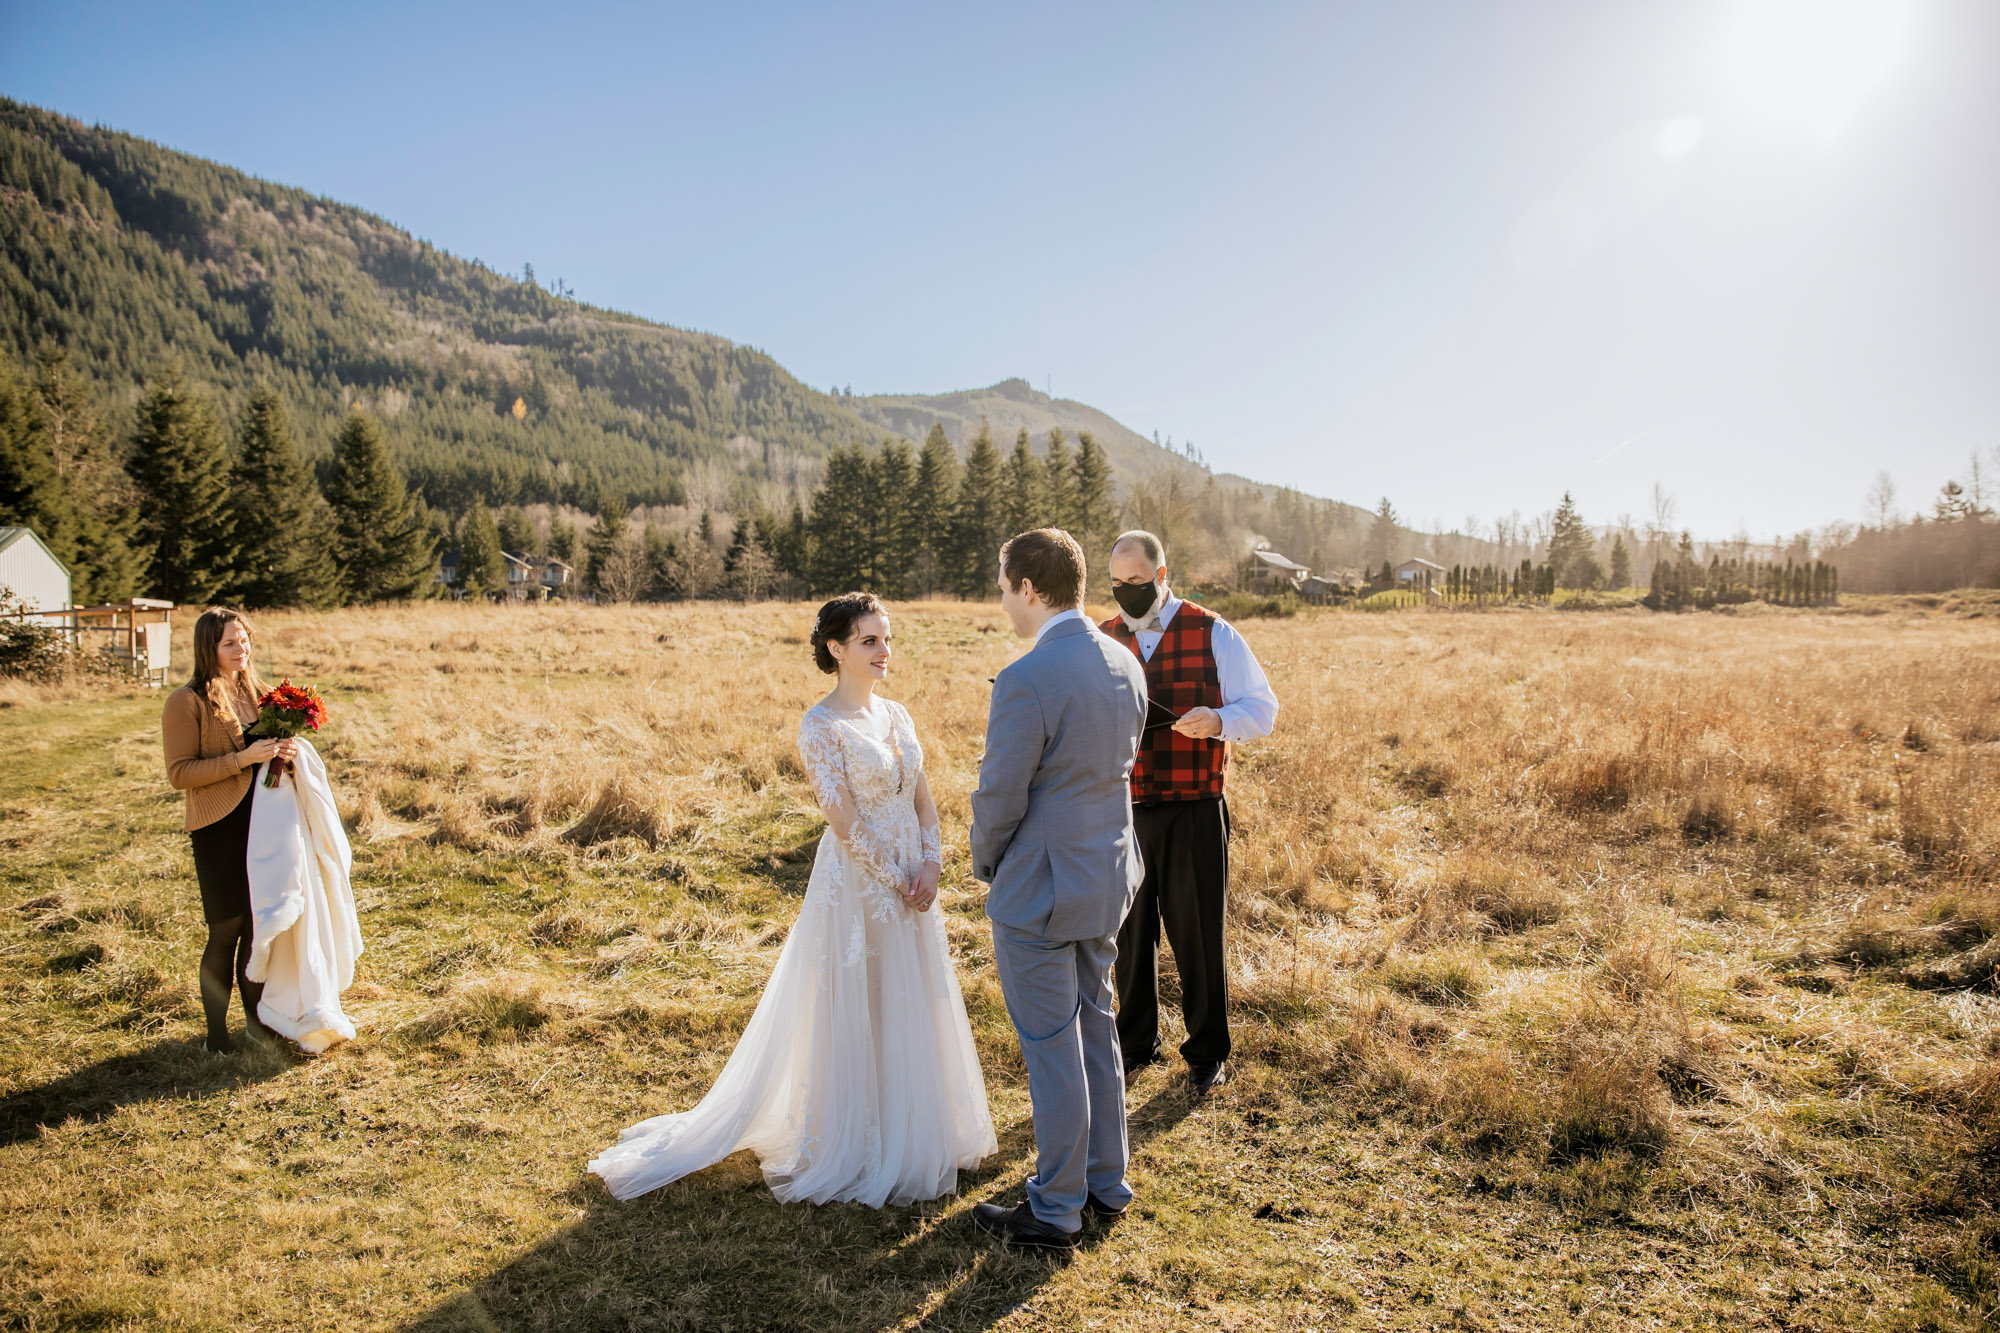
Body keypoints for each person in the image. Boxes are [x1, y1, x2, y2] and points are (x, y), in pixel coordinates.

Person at [589, 593, 996, 1206]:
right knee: (861, 998)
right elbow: (843, 820)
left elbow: (924, 800)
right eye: (869, 641)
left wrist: (933, 865)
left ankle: (921, 1127)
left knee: (913, 997)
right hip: (863, 882)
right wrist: (897, 878)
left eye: (887, 639)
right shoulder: (819, 726)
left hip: (916, 878)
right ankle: (858, 1137)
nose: (885, 651)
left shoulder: (900, 717)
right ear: (836, 649)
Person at [969, 529, 1148, 1251]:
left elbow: (999, 798)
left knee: (1051, 1044)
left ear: (1030, 590)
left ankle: (1057, 1206)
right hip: (1107, 877)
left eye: (1005, 585)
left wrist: (987, 863)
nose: (1003, 599)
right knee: (1096, 1024)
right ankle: (1107, 1179)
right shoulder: (1126, 663)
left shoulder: (1026, 677)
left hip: (1040, 889)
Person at [1099, 530, 1279, 1096]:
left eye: (1136, 582)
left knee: (1198, 934)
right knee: (1129, 937)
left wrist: (1219, 719)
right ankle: (1135, 1043)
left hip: (1195, 808)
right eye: (1117, 584)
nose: (1127, 593)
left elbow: (1263, 709)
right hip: (1123, 811)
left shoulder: (1212, 631)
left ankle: (1207, 1052)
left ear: (1161, 573)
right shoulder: (1102, 638)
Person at [161, 607, 300, 1054]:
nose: (241, 649)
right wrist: (244, 758)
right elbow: (180, 773)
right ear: (209, 649)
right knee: (227, 927)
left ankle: (256, 1026)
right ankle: (215, 1038)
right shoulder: (187, 701)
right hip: (217, 826)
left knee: (259, 926)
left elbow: (272, 757)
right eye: (229, 643)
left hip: (264, 823)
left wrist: (287, 753)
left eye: (244, 640)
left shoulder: (262, 693)